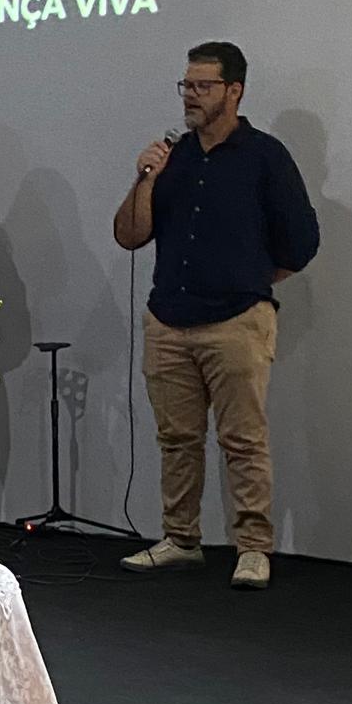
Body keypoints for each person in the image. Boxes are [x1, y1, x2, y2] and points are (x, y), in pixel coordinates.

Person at [113, 41, 319, 590]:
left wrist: (250, 283)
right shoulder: (171, 157)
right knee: (177, 439)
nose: (191, 96)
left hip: (236, 320)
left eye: (203, 86)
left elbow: (301, 243)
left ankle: (253, 547)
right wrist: (145, 177)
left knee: (243, 440)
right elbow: (129, 235)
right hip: (168, 319)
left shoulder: (265, 156)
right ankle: (180, 539)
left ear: (234, 91)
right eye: (187, 85)